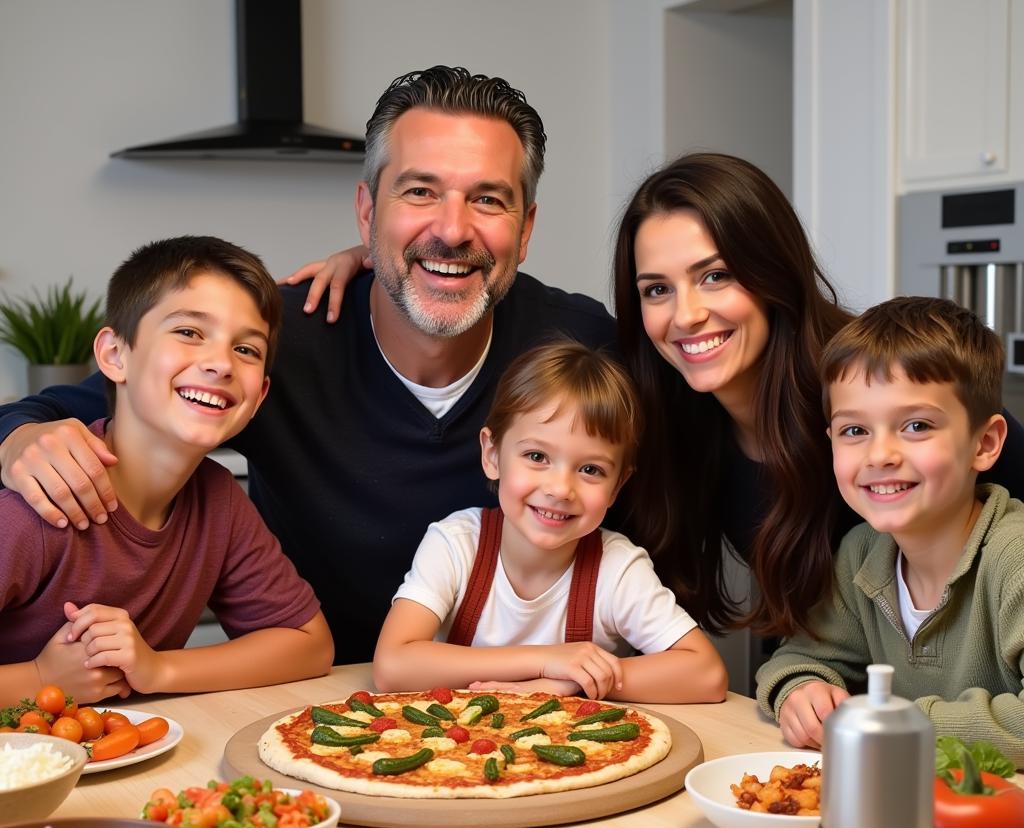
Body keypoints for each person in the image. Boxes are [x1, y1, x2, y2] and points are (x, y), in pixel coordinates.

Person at [0, 68, 615, 664]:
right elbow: (68, 410)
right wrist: (20, 439)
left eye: (487, 199)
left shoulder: (579, 345)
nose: (452, 230)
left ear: (526, 227)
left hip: (544, 702)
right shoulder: (269, 341)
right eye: (420, 192)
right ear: (369, 212)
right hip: (323, 706)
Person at [611, 153, 1024, 641]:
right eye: (657, 289)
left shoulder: (878, 388)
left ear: (772, 272)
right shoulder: (674, 427)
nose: (686, 315)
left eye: (715, 276)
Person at [0, 236, 333, 706]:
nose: (220, 363)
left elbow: (308, 643)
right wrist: (40, 678)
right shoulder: (33, 504)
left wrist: (158, 667)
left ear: (259, 397)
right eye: (189, 332)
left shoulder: (219, 503)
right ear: (116, 356)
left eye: (246, 350)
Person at [374, 340, 726, 703]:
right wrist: (547, 661)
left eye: (591, 469)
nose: (560, 489)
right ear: (492, 455)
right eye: (537, 456)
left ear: (618, 486)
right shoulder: (455, 544)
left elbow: (706, 674)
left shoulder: (617, 568)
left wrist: (572, 682)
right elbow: (392, 665)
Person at [755, 297, 1024, 764]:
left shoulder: (1014, 557)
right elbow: (801, 657)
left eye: (916, 426)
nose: (880, 455)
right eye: (854, 431)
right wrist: (801, 690)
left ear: (984, 444)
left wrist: (897, 723)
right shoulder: (862, 553)